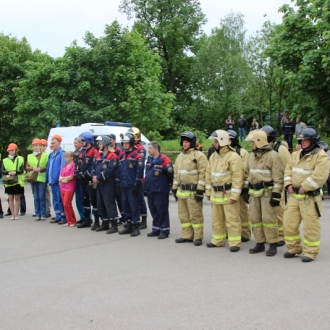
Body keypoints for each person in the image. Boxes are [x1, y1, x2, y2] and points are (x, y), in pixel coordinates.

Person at [283, 127, 329, 262]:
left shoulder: (321, 156)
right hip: (294, 197)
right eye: (301, 139)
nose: (302, 142)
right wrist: (288, 184)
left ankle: (310, 252)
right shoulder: (296, 154)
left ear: (313, 140)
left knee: (311, 227)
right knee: (288, 224)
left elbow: (320, 176)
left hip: (310, 198)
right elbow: (288, 170)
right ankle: (294, 248)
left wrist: (305, 186)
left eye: (305, 140)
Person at [243, 129, 284, 257]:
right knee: (255, 219)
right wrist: (245, 188)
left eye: (253, 142)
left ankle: (272, 243)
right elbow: (246, 174)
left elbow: (278, 177)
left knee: (269, 219)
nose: (252, 145)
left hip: (268, 192)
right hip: (254, 192)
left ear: (259, 141)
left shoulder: (273, 156)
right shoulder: (251, 156)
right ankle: (259, 242)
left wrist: (276, 194)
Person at [205, 130, 243, 252]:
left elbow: (237, 177)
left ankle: (234, 242)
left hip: (228, 194)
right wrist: (208, 191)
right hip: (216, 194)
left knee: (232, 219)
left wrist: (235, 195)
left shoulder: (233, 157)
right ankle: (218, 240)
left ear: (222, 141)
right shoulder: (213, 156)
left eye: (216, 141)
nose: (214, 143)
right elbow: (208, 174)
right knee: (217, 219)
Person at [172, 131, 208, 246]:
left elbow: (204, 173)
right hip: (182, 191)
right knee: (183, 215)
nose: (184, 144)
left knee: (195, 215)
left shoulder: (199, 156)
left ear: (192, 142)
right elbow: (176, 174)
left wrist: (200, 189)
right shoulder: (180, 156)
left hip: (193, 192)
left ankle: (198, 237)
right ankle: (187, 236)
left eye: (186, 142)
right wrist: (174, 188)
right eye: (183, 142)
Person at [261, 125, 291, 246]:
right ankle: (271, 235)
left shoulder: (280, 149)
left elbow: (288, 166)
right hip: (267, 186)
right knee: (269, 212)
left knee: (279, 211)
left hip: (278, 185)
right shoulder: (263, 149)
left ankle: (281, 236)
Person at [116, 132, 144, 237]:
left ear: (131, 143)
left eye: (126, 143)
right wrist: (118, 183)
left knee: (134, 205)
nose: (124, 145)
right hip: (124, 185)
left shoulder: (137, 155)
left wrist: (137, 184)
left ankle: (136, 226)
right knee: (125, 205)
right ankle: (128, 225)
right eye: (123, 143)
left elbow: (139, 171)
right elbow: (119, 170)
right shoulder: (122, 155)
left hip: (132, 185)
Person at [145, 141, 173, 239]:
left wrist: (166, 185)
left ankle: (164, 231)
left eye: (150, 148)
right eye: (148, 148)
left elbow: (170, 175)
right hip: (150, 189)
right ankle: (156, 229)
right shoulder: (149, 159)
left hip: (160, 190)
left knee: (162, 210)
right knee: (153, 210)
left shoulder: (164, 160)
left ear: (156, 149)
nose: (149, 150)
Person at [92, 135, 120, 233]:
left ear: (105, 144)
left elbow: (110, 171)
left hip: (108, 183)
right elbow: (93, 167)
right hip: (99, 184)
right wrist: (94, 176)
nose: (98, 145)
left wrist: (98, 177)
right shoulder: (98, 156)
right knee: (100, 204)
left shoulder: (113, 156)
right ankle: (104, 223)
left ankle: (114, 225)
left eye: (100, 143)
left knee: (109, 204)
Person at [227, 130, 251, 242]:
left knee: (242, 211)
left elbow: (245, 171)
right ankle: (230, 232)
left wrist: (245, 188)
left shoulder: (242, 152)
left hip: (239, 186)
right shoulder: (223, 153)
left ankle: (245, 233)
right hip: (227, 187)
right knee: (230, 213)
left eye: (230, 139)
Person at [75, 132, 100, 229]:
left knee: (93, 201)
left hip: (90, 180)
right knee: (84, 200)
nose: (81, 142)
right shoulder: (82, 151)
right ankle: (87, 220)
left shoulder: (94, 152)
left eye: (83, 140)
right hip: (82, 181)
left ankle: (97, 221)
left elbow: (94, 166)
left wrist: (85, 174)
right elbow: (78, 163)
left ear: (88, 141)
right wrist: (77, 172)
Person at [127, 127, 148, 229]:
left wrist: (137, 180)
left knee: (140, 199)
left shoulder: (140, 149)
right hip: (129, 178)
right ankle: (132, 219)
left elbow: (140, 165)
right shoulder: (130, 148)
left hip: (138, 178)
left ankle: (144, 220)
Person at [26, 138, 48, 221]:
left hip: (42, 178)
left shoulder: (45, 155)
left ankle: (43, 213)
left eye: (37, 145)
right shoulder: (29, 156)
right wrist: (32, 168)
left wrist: (40, 169)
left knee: (41, 196)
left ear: (40, 146)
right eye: (34, 146)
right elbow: (27, 166)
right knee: (36, 197)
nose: (35, 147)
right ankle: (37, 213)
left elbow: (47, 166)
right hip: (33, 178)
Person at [1, 143, 25, 220]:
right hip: (9, 181)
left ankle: (16, 214)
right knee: (10, 198)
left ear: (15, 150)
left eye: (12, 150)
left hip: (17, 181)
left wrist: (16, 172)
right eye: (9, 150)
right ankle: (12, 215)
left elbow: (22, 169)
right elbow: (2, 170)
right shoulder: (5, 160)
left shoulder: (20, 159)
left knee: (17, 198)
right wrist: (8, 172)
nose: (11, 151)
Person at [47, 135, 66, 224]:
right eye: (51, 143)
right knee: (55, 199)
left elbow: (62, 167)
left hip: (58, 181)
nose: (52, 144)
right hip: (52, 181)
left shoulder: (62, 153)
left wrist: (60, 179)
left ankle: (63, 216)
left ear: (59, 143)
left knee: (60, 199)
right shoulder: (51, 154)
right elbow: (49, 168)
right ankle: (58, 215)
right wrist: (48, 179)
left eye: (53, 143)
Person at [110, 133, 125, 225]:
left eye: (111, 139)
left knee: (120, 199)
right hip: (111, 178)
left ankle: (124, 216)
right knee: (113, 199)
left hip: (118, 177)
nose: (110, 141)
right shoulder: (107, 150)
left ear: (115, 140)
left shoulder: (118, 151)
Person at [59, 151, 76, 227]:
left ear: (72, 157)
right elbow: (60, 177)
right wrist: (64, 179)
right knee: (66, 204)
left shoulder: (73, 166)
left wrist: (64, 179)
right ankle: (69, 220)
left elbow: (71, 177)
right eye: (65, 157)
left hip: (69, 187)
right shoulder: (64, 166)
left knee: (67, 203)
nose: (66, 159)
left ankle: (72, 221)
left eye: (67, 157)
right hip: (63, 187)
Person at [73, 137, 86, 223]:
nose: (74, 144)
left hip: (82, 178)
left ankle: (87, 217)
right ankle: (82, 217)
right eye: (74, 143)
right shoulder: (74, 153)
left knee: (83, 199)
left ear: (81, 143)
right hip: (76, 178)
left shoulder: (84, 152)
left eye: (76, 143)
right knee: (77, 199)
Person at [40, 139, 51, 218]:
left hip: (44, 177)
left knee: (46, 195)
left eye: (44, 146)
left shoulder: (47, 155)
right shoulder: (37, 155)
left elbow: (48, 166)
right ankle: (41, 210)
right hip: (37, 178)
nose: (42, 147)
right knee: (40, 196)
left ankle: (47, 210)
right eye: (41, 145)